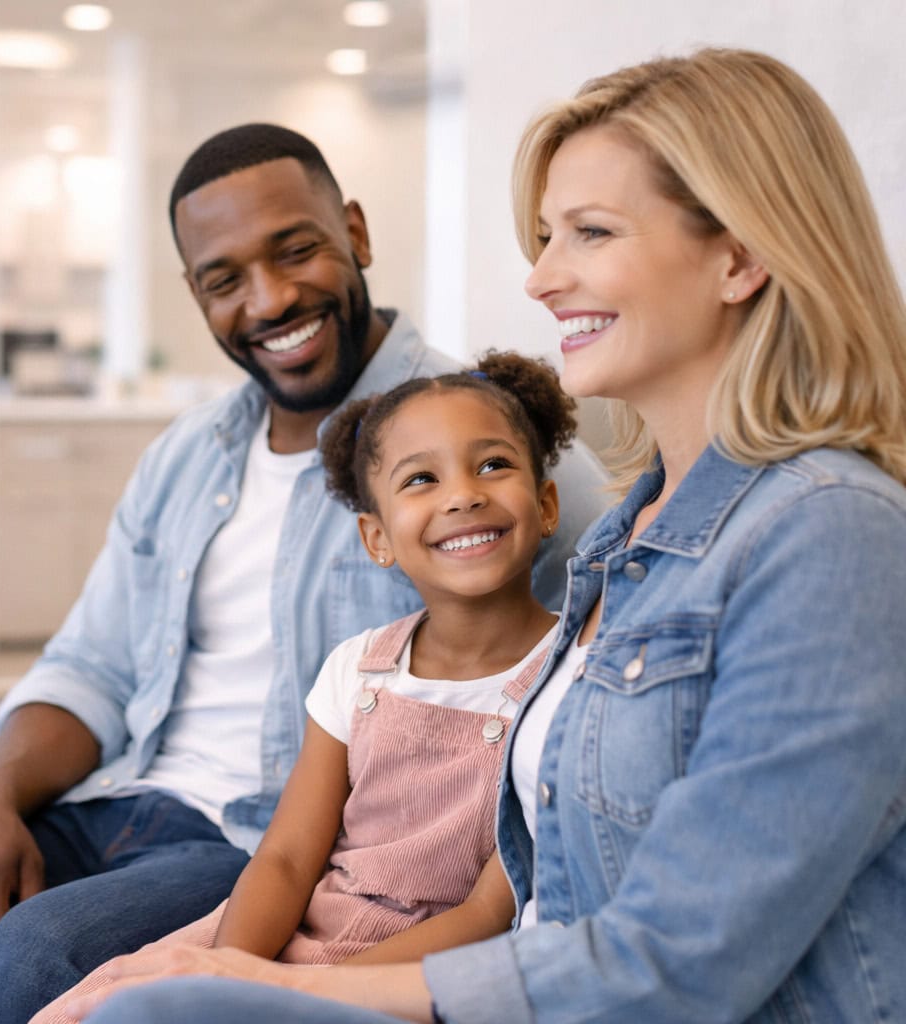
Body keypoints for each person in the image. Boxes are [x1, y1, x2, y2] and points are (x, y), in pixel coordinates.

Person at [64, 48, 906, 1024]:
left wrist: (282, 984)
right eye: (546, 236)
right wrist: (225, 958)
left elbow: (675, 962)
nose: (543, 277)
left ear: (741, 255)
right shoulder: (629, 540)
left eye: (589, 232)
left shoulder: (830, 536)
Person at [0, 124, 610, 1024]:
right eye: (225, 280)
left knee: (33, 964)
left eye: (297, 251)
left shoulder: (492, 452)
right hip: (117, 796)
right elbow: (92, 665)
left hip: (250, 845)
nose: (269, 299)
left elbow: (580, 689)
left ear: (357, 235)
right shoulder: (187, 454)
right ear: (196, 295)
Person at [33, 352, 576, 1024]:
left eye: (493, 464)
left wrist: (298, 997)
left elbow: (490, 911)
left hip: (418, 976)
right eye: (421, 479)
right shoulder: (358, 669)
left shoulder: (573, 677)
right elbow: (288, 859)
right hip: (294, 943)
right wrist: (229, 977)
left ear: (546, 505)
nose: (462, 494)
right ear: (376, 538)